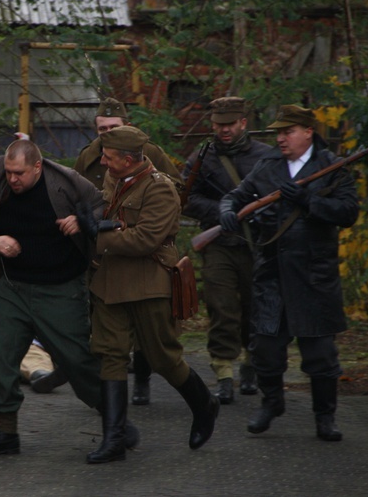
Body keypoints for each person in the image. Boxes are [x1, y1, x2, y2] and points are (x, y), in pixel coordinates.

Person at [0, 139, 136, 458]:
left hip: (61, 287)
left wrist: (81, 221)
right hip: (14, 286)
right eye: (9, 172)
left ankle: (116, 424)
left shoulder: (64, 180)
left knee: (79, 362)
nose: (13, 179)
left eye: (19, 173)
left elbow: (101, 206)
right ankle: (6, 432)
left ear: (37, 167)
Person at [80, 126, 219, 464]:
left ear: (129, 160)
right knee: (110, 354)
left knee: (162, 358)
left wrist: (95, 237)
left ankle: (204, 405)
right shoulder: (114, 180)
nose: (104, 162)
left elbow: (144, 240)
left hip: (148, 283)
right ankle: (114, 440)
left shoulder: (161, 190)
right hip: (110, 282)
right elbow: (107, 218)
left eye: (110, 158)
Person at [219, 105, 358, 442]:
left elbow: (348, 212)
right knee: (265, 349)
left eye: (288, 131)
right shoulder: (268, 166)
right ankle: (271, 403)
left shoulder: (331, 167)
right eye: (278, 133)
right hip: (272, 274)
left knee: (321, 357)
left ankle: (325, 418)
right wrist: (226, 211)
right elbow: (236, 196)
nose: (280, 138)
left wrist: (310, 201)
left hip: (314, 277)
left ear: (308, 131)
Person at [74, 97, 183, 406]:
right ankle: (114, 426)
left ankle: (149, 382)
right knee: (110, 345)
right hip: (105, 263)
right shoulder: (89, 157)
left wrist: (106, 230)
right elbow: (82, 194)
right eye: (101, 128)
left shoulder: (148, 156)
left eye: (113, 128)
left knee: (156, 345)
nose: (106, 134)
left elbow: (169, 192)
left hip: (142, 261)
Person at [181, 97, 272, 404]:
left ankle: (250, 366)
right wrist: (220, 212)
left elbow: (280, 195)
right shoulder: (202, 157)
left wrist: (258, 214)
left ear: (243, 123)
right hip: (218, 244)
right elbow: (187, 198)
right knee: (221, 309)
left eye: (229, 124)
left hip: (255, 244)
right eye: (219, 124)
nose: (223, 130)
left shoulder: (265, 156)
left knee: (253, 308)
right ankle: (223, 373)